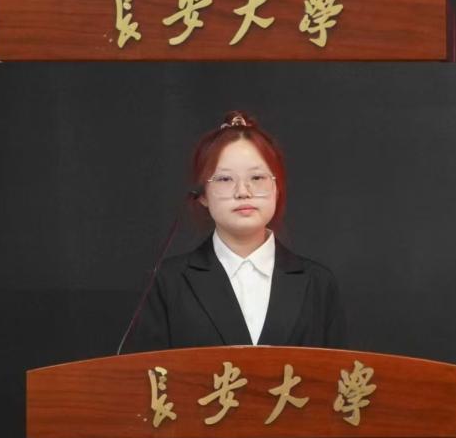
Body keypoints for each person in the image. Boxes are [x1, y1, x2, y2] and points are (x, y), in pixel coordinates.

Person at [123, 112, 345, 351]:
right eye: (225, 179)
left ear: (277, 187)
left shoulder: (318, 283)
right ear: (202, 195)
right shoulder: (168, 281)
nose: (243, 192)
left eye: (257, 177)